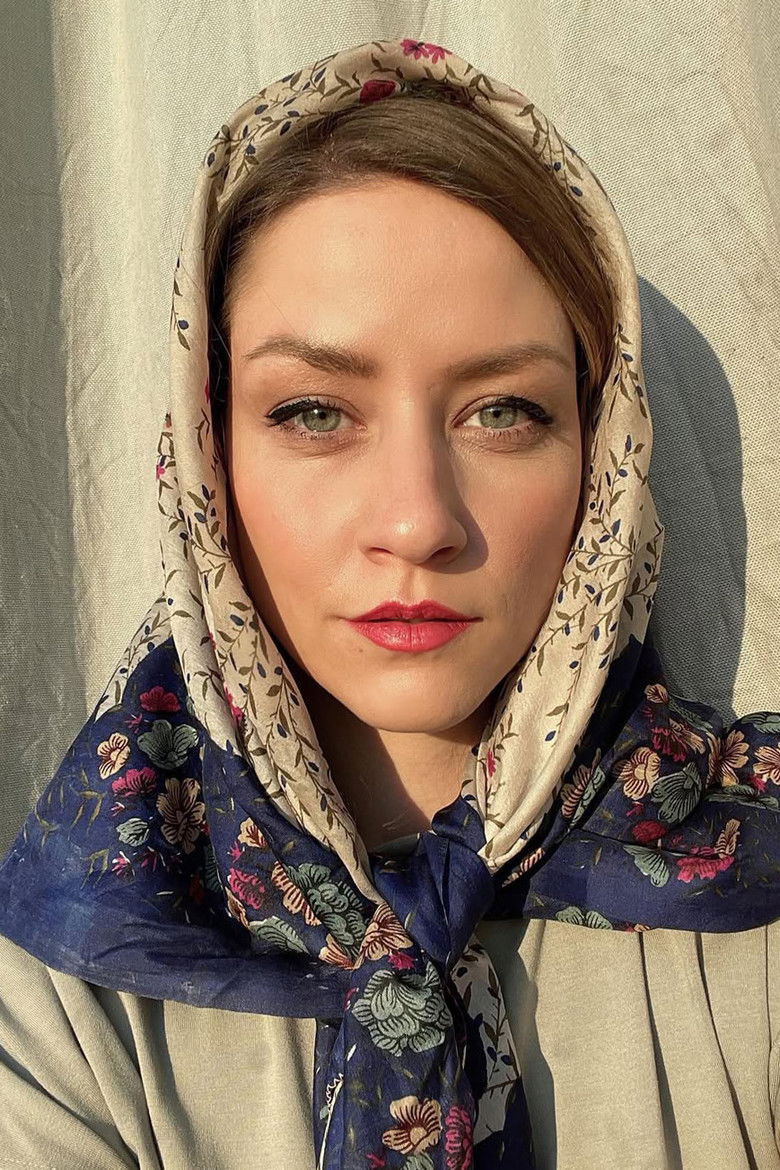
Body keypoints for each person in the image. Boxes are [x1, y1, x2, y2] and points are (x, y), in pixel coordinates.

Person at [0, 35, 779, 1170]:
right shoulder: (69, 995)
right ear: (206, 452)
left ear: (606, 456)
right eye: (313, 412)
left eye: (503, 410)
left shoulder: (753, 921)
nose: (417, 521)